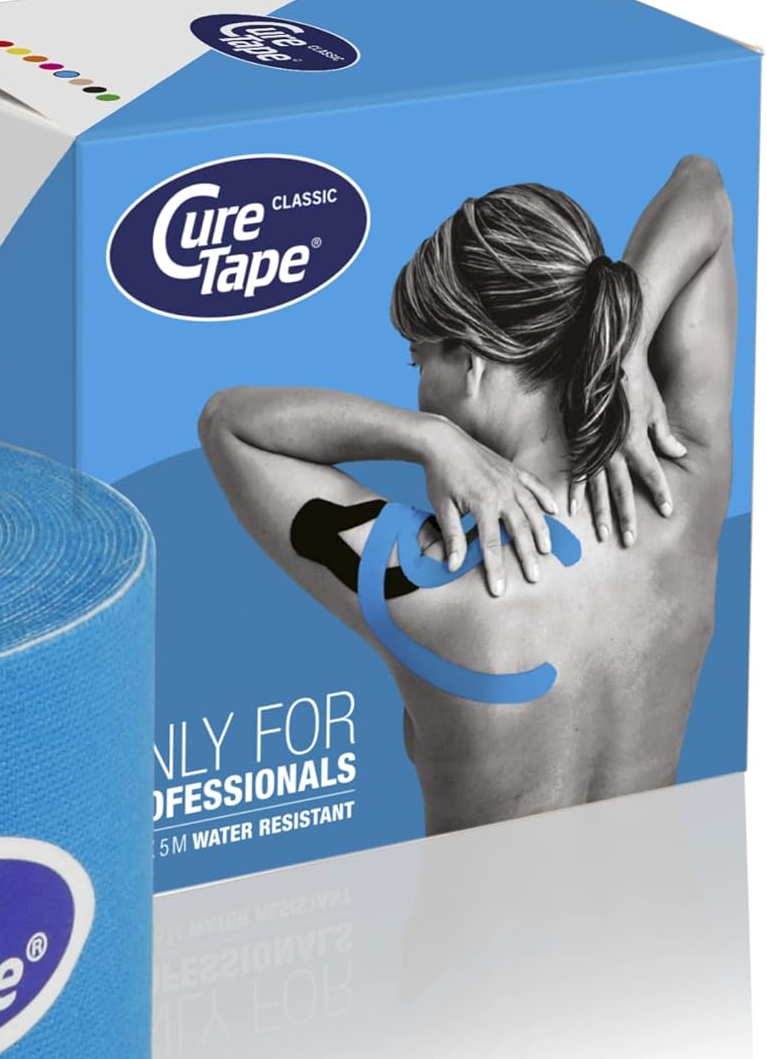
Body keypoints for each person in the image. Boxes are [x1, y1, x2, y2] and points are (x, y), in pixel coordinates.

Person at [198, 156, 736, 834]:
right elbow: (702, 186)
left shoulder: (429, 582)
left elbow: (227, 423)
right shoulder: (680, 483)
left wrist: (424, 438)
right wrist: (627, 348)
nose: (419, 388)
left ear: (472, 363)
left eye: (419, 360)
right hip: (660, 904)